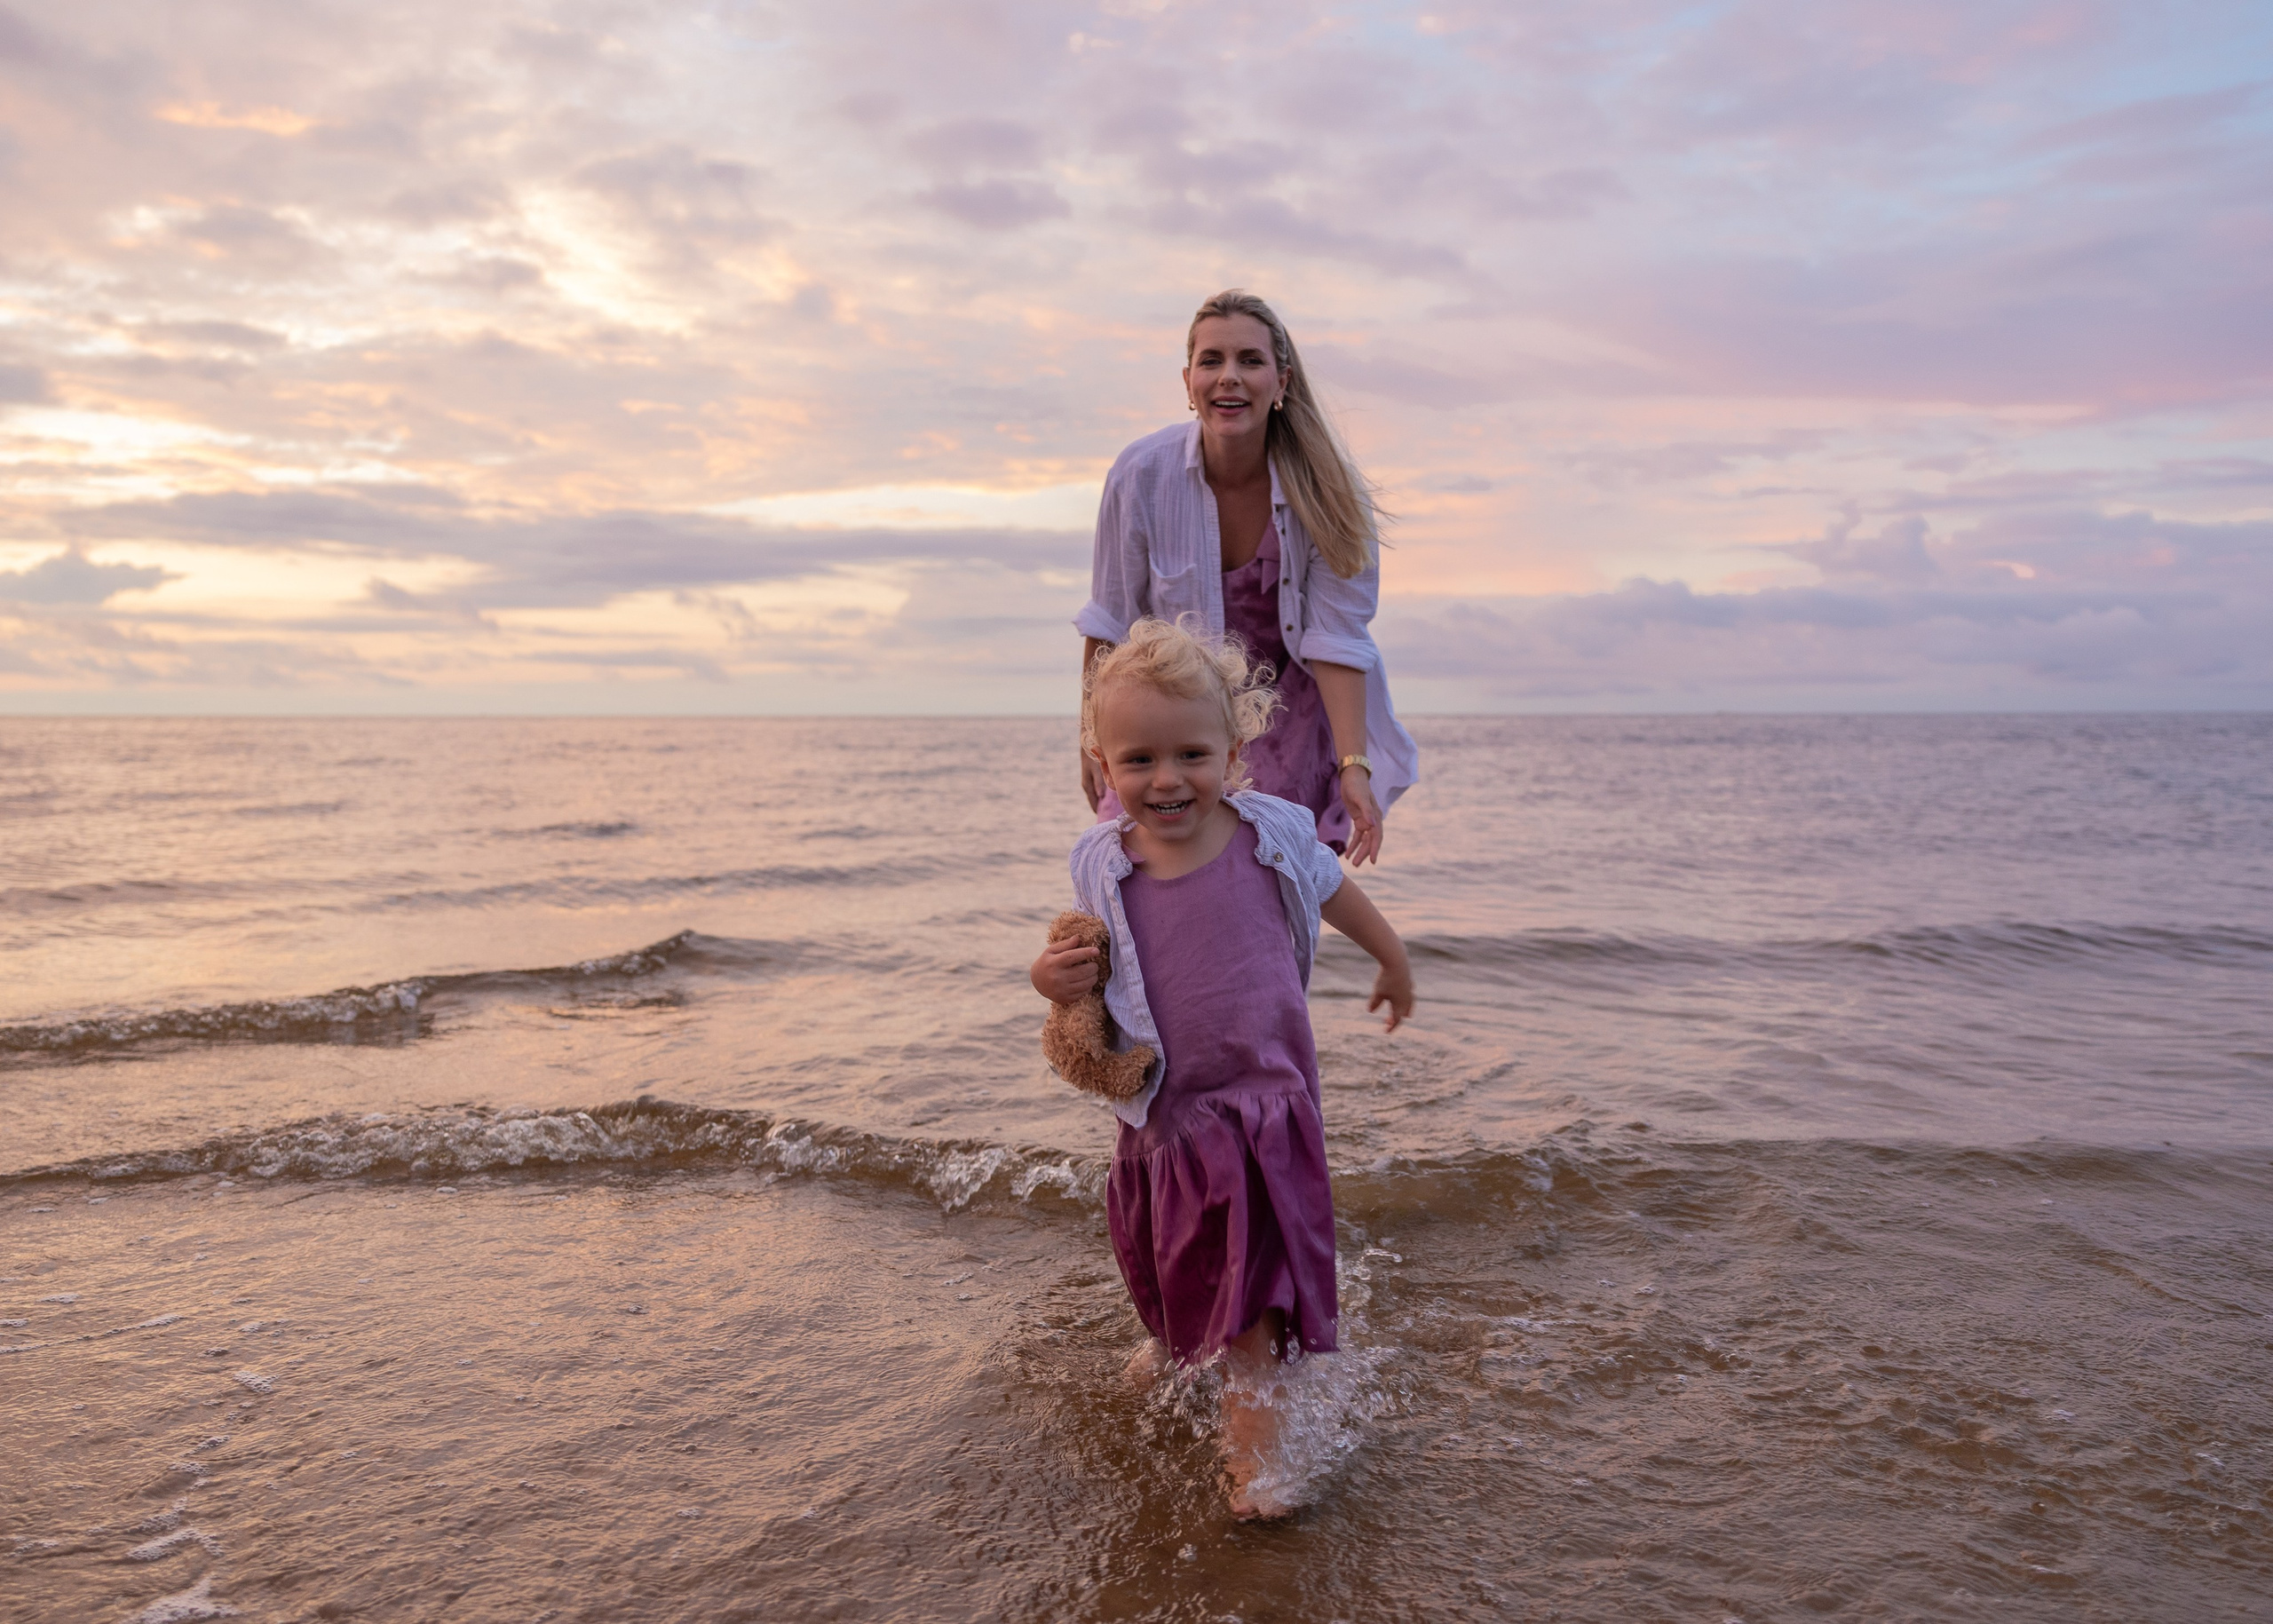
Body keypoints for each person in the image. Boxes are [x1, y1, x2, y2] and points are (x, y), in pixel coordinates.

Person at [1030, 618, 1414, 1519]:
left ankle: (1258, 1465)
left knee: (1252, 1303)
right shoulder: (1101, 862)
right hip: (1167, 1113)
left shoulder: (1268, 833)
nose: (1167, 779)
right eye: (1139, 759)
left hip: (1261, 1102)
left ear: (1234, 749)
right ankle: (1171, 1336)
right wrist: (1044, 977)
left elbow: (1335, 890)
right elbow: (1075, 960)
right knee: (1167, 1255)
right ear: (1102, 762)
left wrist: (1392, 959)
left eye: (1192, 753)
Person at [1077, 289, 1419, 864]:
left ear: (1281, 382)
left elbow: (1338, 640)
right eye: (1212, 361)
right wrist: (1090, 741)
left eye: (1250, 361)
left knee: (1266, 885)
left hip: (1292, 720)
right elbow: (1109, 619)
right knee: (1130, 868)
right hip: (1174, 715)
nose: (1229, 377)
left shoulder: (1333, 493)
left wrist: (1352, 768)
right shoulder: (1141, 474)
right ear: (1188, 381)